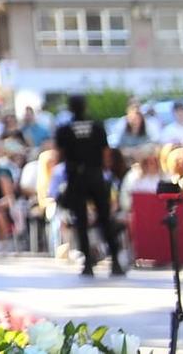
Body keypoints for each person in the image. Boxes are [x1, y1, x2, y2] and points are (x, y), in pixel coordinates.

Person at [58, 94, 125, 276]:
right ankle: (116, 262)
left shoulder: (65, 129)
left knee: (81, 221)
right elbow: (105, 152)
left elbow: (60, 154)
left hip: (76, 177)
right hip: (95, 175)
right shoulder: (97, 126)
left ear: (70, 108)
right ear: (85, 107)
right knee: (105, 219)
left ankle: (88, 263)